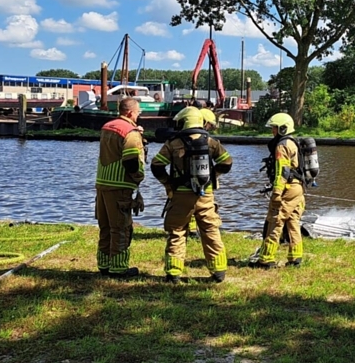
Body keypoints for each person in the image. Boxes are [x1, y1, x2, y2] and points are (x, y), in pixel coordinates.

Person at [151, 107, 232, 283]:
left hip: (180, 195)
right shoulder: (211, 142)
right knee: (210, 230)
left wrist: (168, 183)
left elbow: (156, 165)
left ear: (184, 122)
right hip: (206, 195)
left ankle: (173, 273)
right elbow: (227, 162)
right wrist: (212, 176)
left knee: (177, 231)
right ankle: (218, 271)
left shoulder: (173, 143)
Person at [95, 96, 145, 278]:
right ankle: (119, 268)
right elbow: (131, 160)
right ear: (131, 112)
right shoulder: (130, 132)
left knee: (106, 226)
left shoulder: (107, 126)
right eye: (138, 112)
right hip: (120, 185)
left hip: (102, 183)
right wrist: (138, 177)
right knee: (121, 228)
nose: (139, 115)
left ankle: (104, 263)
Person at [251, 112, 305, 269]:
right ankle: (295, 258)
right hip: (298, 188)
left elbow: (282, 171)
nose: (272, 132)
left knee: (275, 221)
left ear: (282, 129)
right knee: (293, 222)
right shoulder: (293, 142)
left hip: (287, 188)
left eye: (274, 128)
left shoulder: (282, 145)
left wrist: (276, 193)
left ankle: (266, 259)